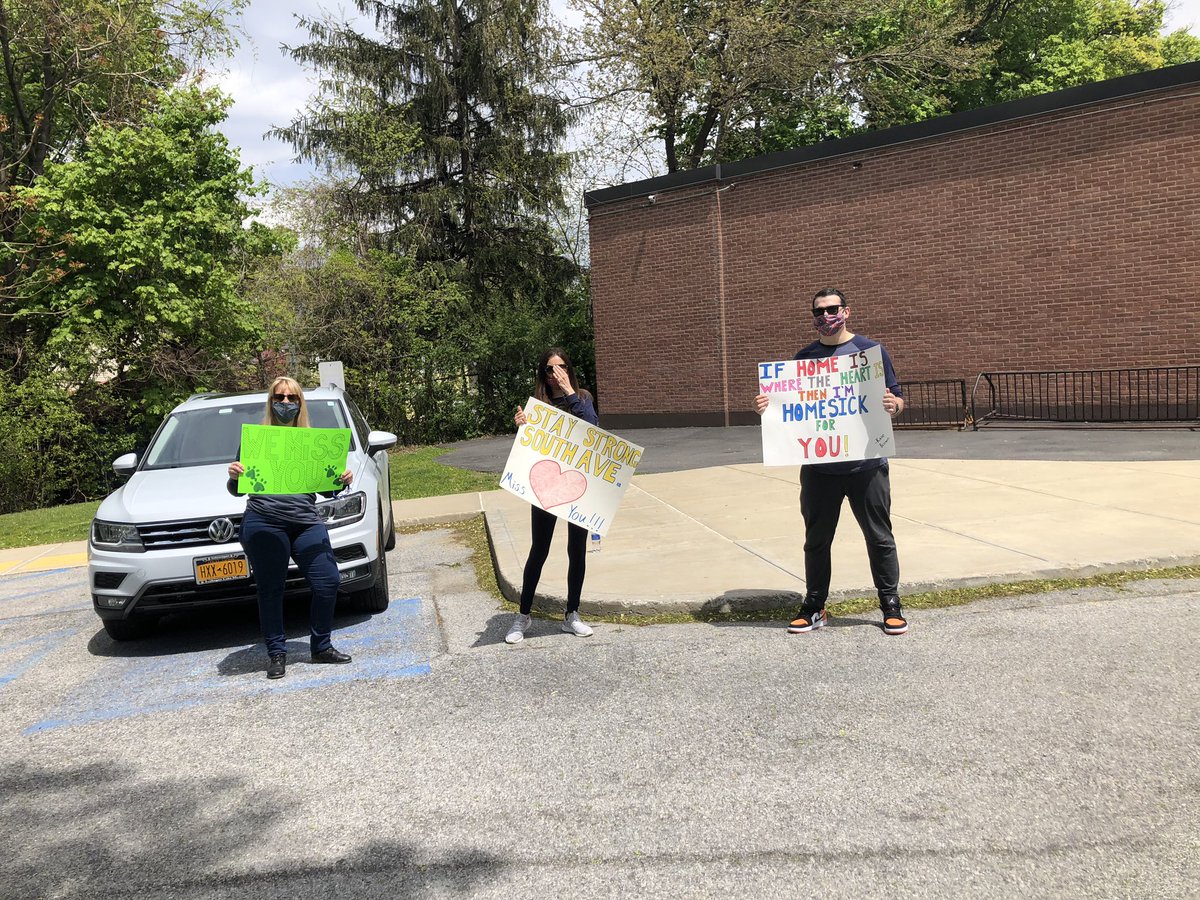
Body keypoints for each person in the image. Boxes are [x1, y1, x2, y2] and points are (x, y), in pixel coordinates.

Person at [754, 288, 909, 636]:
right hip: (819, 469)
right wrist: (767, 408)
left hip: (866, 466)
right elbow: (790, 406)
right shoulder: (804, 358)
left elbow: (896, 398)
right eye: (819, 311)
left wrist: (893, 407)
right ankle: (814, 606)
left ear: (847, 311)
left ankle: (890, 603)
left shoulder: (870, 352)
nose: (826, 316)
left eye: (833, 309)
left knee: (879, 537)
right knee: (817, 540)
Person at [227, 376, 355, 678]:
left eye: (291, 398)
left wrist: (341, 481)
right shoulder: (256, 440)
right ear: (271, 401)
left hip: (306, 522)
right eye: (279, 397)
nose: (285, 403)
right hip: (264, 522)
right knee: (271, 590)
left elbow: (326, 489)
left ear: (300, 403)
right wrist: (234, 476)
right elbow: (237, 489)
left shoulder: (311, 441)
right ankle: (276, 654)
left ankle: (321, 646)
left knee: (328, 582)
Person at [506, 348, 599, 644]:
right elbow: (530, 451)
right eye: (550, 369)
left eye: (561, 368)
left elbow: (593, 430)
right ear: (542, 375)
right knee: (540, 549)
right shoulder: (539, 405)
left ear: (569, 369)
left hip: (579, 485)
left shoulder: (582, 398)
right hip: (546, 485)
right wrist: (522, 428)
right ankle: (523, 616)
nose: (556, 374)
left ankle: (572, 614)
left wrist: (570, 392)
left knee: (577, 550)